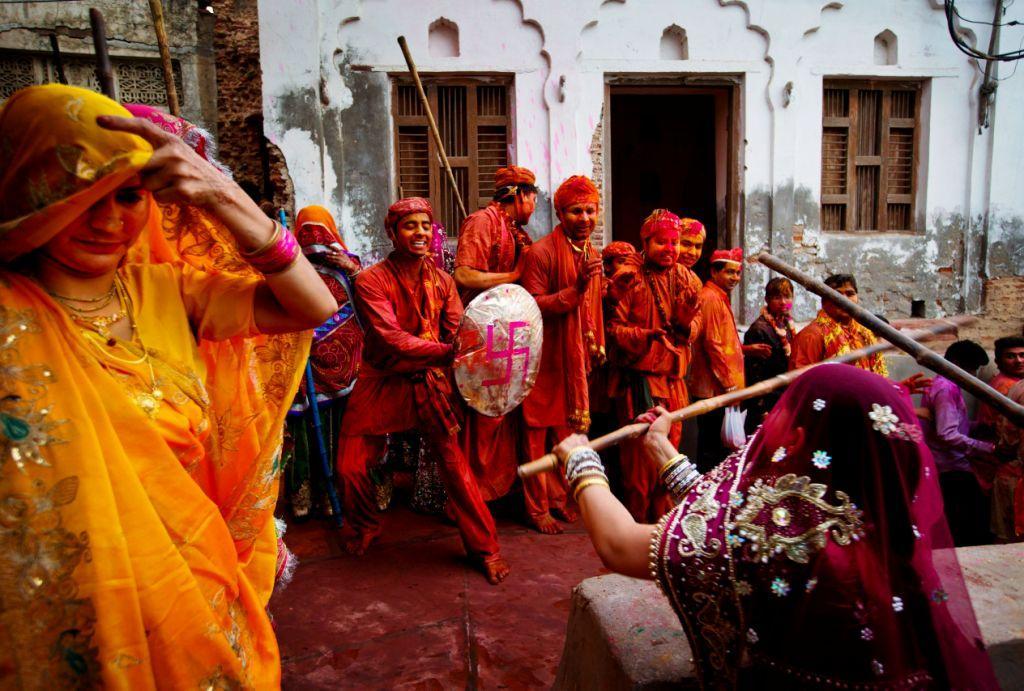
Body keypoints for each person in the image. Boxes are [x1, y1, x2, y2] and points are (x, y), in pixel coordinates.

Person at [0, 85, 337, 686]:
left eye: (127, 195)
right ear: (29, 186)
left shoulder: (167, 290)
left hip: (192, 582)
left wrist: (224, 194)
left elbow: (310, 305)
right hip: (68, 609)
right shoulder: (10, 318)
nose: (108, 221)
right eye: (82, 195)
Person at [552, 364, 998, 689]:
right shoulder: (872, 521)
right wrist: (664, 455)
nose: (771, 425)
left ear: (802, 439)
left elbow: (622, 545)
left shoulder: (788, 536)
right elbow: (727, 520)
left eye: (785, 414)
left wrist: (581, 463)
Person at [335, 197, 510, 584]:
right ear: (393, 233)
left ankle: (486, 548)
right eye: (410, 226)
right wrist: (451, 351)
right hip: (381, 378)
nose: (420, 233)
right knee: (349, 466)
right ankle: (365, 525)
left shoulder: (443, 281)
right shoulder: (370, 280)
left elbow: (456, 329)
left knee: (455, 466)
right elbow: (392, 338)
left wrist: (481, 345)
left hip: (427, 380)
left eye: (425, 225)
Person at [519, 175, 604, 534]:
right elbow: (532, 305)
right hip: (545, 360)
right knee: (536, 435)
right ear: (559, 212)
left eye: (590, 211)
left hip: (575, 361)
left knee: (568, 433)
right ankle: (537, 508)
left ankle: (560, 498)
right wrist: (575, 288)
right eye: (575, 212)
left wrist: (596, 343)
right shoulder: (540, 253)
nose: (584, 219)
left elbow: (594, 304)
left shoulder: (592, 254)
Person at [606, 210, 701, 522]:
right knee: (638, 465)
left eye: (675, 242)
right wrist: (644, 336)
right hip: (640, 382)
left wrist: (686, 325)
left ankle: (662, 523)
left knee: (669, 456)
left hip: (673, 380)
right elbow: (612, 330)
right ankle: (635, 525)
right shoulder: (629, 278)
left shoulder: (687, 278)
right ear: (645, 242)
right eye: (662, 242)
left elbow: (696, 325)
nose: (671, 249)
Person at [453, 165, 536, 501]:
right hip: (479, 332)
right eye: (533, 196)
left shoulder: (512, 227)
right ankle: (473, 493)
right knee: (481, 414)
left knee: (503, 408)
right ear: (518, 194)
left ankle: (493, 490)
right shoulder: (483, 221)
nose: (534, 204)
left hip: (504, 333)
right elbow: (464, 275)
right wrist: (514, 274)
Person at [283, 205, 364, 519]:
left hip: (346, 368)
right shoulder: (289, 267)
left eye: (321, 230)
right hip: (305, 366)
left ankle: (338, 496)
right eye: (307, 232)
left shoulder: (349, 265)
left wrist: (351, 270)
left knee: (340, 432)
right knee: (304, 433)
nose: (314, 240)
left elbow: (370, 298)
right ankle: (304, 498)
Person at [919, 340, 995, 546]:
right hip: (950, 467)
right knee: (965, 525)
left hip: (950, 464)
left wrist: (977, 425)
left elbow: (951, 423)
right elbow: (947, 434)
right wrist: (988, 449)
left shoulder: (946, 385)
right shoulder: (946, 388)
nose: (973, 374)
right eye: (972, 368)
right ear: (957, 364)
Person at [689, 248, 752, 471]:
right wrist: (729, 385)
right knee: (711, 447)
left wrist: (746, 348)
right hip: (714, 387)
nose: (735, 278)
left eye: (737, 273)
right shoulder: (710, 298)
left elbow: (722, 341)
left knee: (716, 445)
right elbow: (712, 345)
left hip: (719, 387)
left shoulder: (718, 297)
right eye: (729, 273)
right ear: (714, 273)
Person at [790, 273, 887, 375]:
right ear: (824, 301)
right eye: (838, 294)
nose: (845, 299)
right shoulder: (811, 336)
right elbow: (800, 381)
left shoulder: (865, 333)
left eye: (850, 294)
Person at [742, 277, 796, 429]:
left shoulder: (787, 324)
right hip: (766, 401)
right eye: (777, 297)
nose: (783, 302)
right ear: (767, 299)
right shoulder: (759, 329)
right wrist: (761, 409)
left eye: (787, 296)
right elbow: (753, 373)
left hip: (782, 397)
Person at [976, 336, 1024, 434]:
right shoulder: (1009, 385)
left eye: (1022, 355)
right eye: (1010, 356)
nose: (1019, 361)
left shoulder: (1002, 378)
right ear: (998, 362)